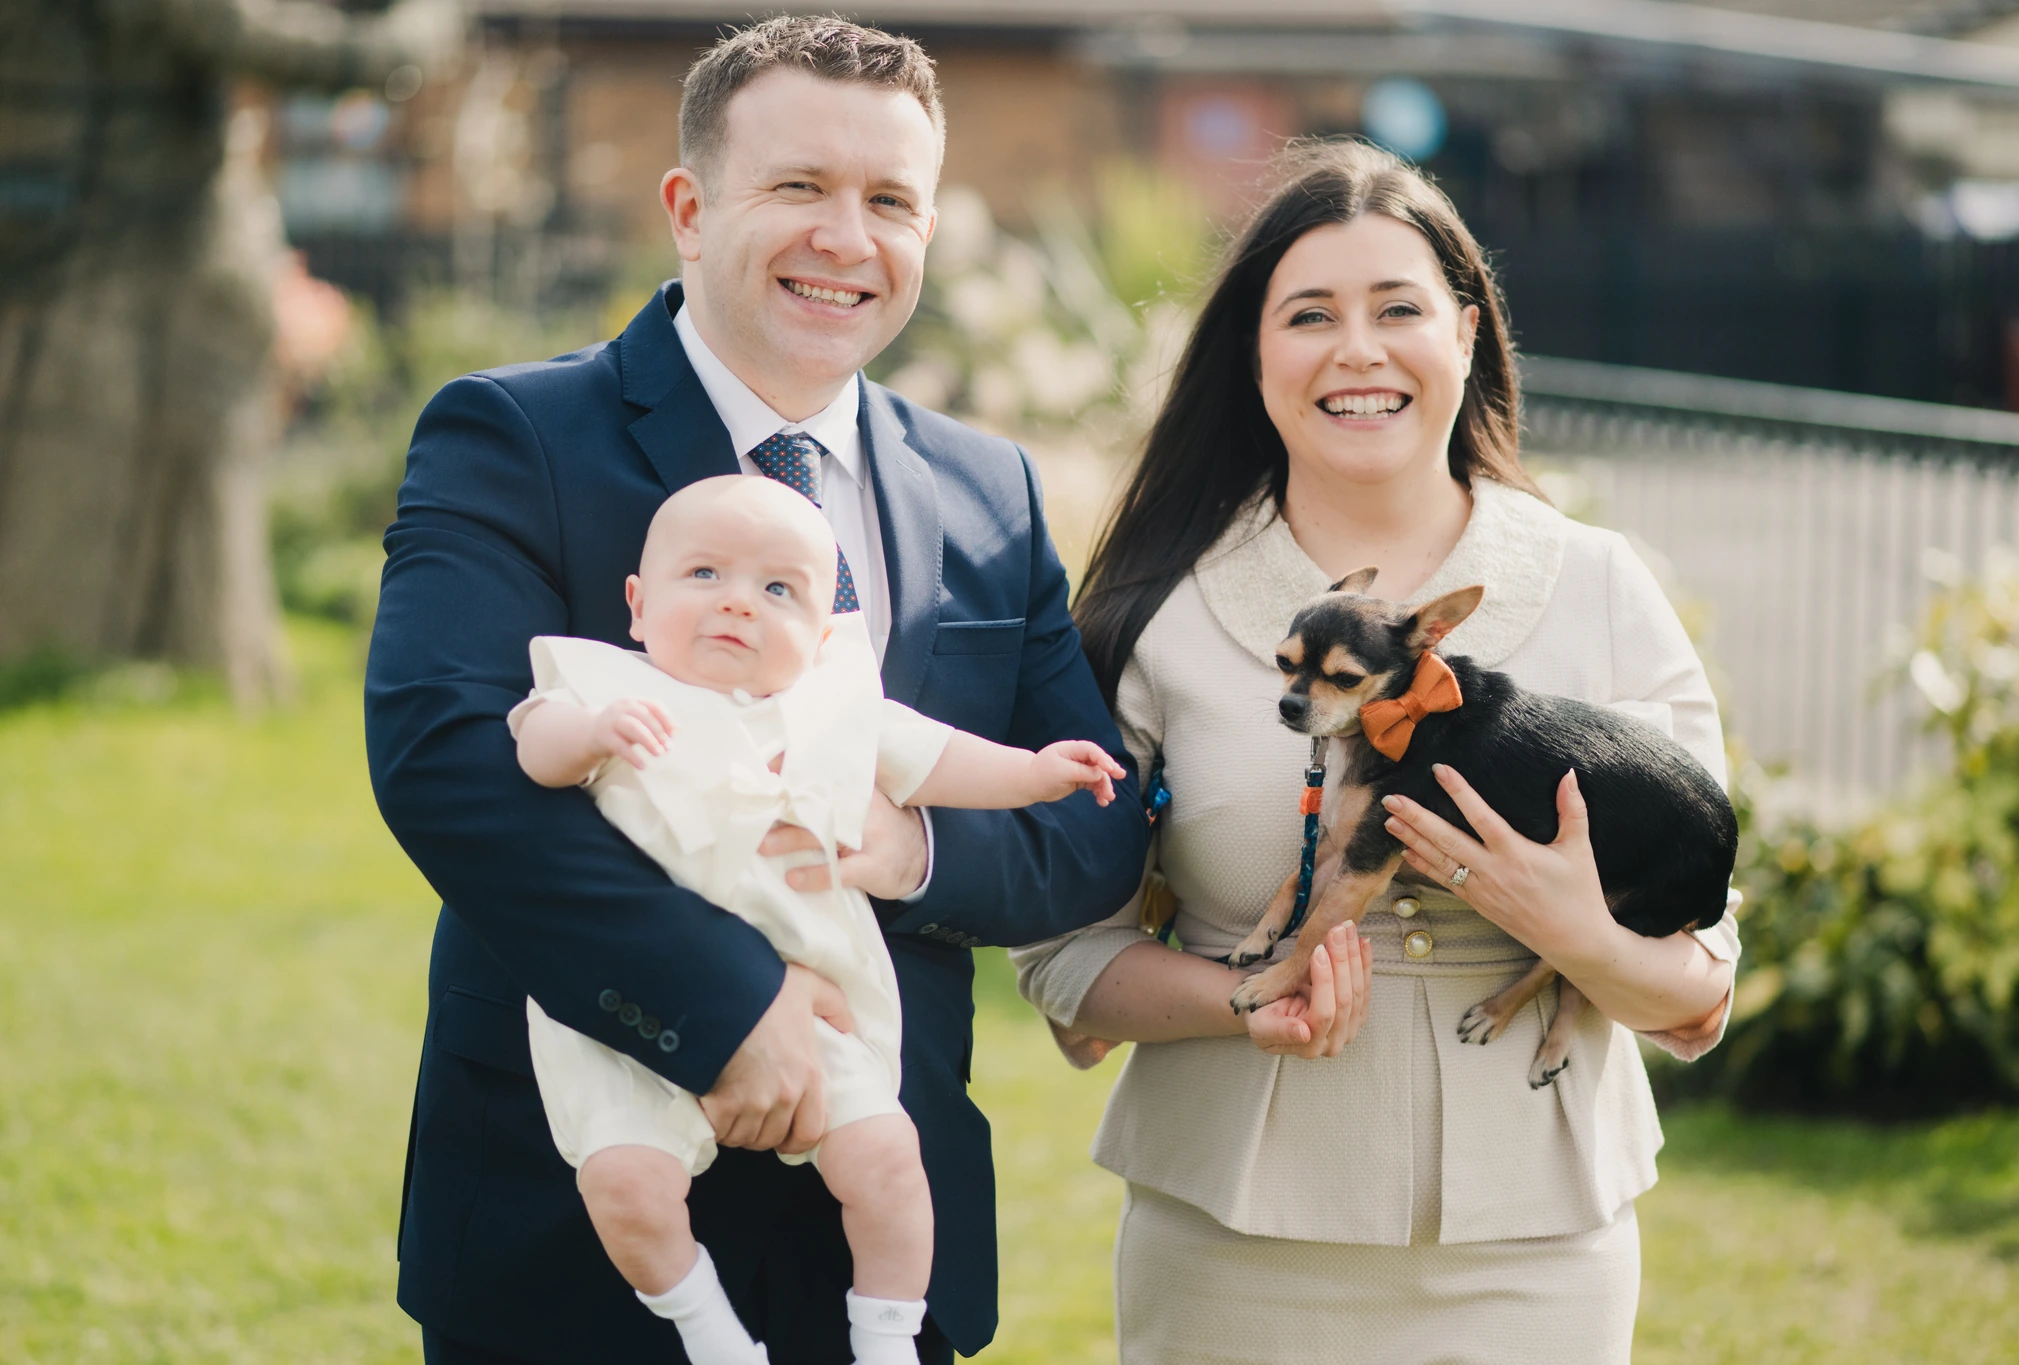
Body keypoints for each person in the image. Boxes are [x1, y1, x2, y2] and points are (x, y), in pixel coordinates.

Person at [364, 17, 1151, 1362]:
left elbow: (1092, 823)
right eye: (800, 187)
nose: (847, 237)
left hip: (881, 1243)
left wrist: (905, 846)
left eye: (890, 200)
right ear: (689, 206)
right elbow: (447, 763)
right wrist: (731, 1016)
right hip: (576, 1231)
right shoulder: (514, 436)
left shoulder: (985, 492)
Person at [1012, 139, 1740, 1364]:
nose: (1357, 350)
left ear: (1464, 333)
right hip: (1232, 1251)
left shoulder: (1602, 586)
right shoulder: (1153, 615)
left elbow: (1703, 985)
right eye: (1308, 315)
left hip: (1537, 1255)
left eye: (1396, 309)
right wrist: (1249, 1004)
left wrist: (1577, 933)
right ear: (1252, 353)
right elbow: (1063, 967)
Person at [510, 475, 1123, 1365]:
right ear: (638, 605)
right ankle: (710, 1332)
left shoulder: (834, 708)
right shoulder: (608, 688)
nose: (736, 604)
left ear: (823, 633)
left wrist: (1036, 771)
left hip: (817, 999)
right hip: (622, 1020)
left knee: (885, 1156)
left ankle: (885, 1337)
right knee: (625, 1184)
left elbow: (943, 760)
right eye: (705, 573)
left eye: (778, 590)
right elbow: (533, 749)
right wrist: (595, 733)